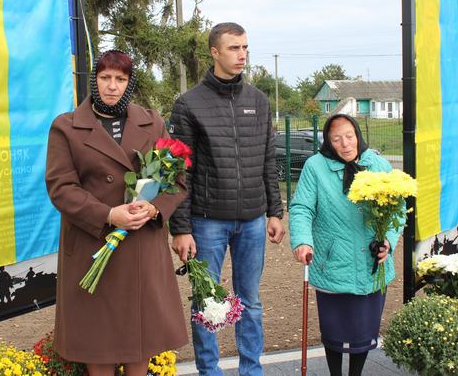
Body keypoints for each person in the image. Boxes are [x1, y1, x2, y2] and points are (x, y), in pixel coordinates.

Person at [46, 50, 188, 376]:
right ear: (94, 80)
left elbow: (176, 180)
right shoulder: (66, 127)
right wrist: (109, 215)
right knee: (99, 342)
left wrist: (153, 207)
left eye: (120, 79)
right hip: (93, 246)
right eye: (105, 77)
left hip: (141, 247)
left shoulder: (152, 121)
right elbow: (61, 187)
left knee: (141, 339)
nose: (112, 86)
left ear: (129, 83)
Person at [169, 22, 285, 376]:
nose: (242, 55)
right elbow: (180, 172)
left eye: (245, 47)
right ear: (214, 52)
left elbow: (268, 159)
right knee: (207, 302)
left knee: (250, 302)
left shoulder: (258, 101)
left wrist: (275, 211)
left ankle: (252, 370)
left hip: (252, 221)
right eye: (234, 48)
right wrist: (181, 228)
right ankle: (210, 371)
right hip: (207, 223)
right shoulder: (188, 104)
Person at [289, 114, 402, 376]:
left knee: (364, 330)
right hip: (333, 262)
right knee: (334, 331)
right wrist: (303, 241)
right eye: (337, 138)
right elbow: (302, 207)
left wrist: (388, 240)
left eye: (349, 136)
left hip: (371, 262)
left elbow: (398, 208)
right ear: (328, 141)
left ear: (358, 135)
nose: (345, 143)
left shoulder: (378, 164)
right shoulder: (316, 166)